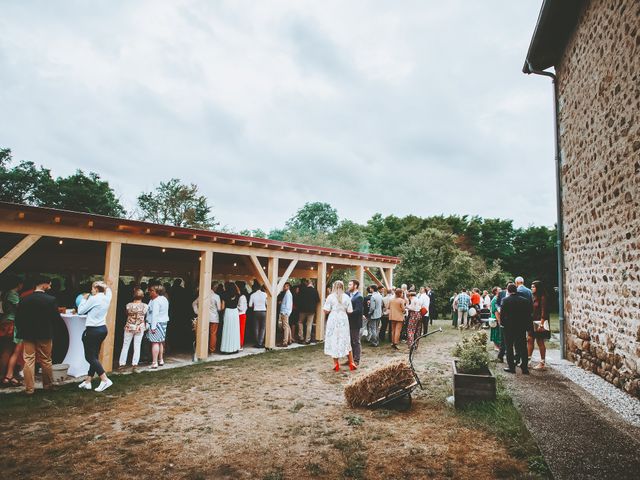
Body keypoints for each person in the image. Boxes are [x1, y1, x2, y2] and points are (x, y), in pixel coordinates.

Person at [14, 276, 60, 395]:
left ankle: (29, 389)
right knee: (46, 360)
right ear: (43, 285)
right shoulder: (50, 300)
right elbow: (56, 319)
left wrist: (22, 330)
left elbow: (18, 318)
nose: (49, 287)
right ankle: (48, 385)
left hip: (28, 334)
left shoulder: (24, 299)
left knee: (28, 360)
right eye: (48, 284)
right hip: (44, 333)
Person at [77, 280, 114, 392]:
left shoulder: (94, 298)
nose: (91, 290)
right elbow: (108, 290)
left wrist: (84, 299)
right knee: (94, 356)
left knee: (90, 357)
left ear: (96, 289)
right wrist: (105, 286)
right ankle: (88, 381)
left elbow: (80, 311)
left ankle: (104, 379)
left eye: (93, 288)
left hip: (92, 330)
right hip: (102, 329)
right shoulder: (107, 297)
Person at [323, 281, 356, 372]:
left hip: (333, 319)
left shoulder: (330, 297)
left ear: (334, 287)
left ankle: (336, 364)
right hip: (343, 319)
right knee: (345, 339)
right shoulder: (347, 297)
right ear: (343, 287)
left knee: (334, 339)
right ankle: (352, 362)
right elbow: (350, 311)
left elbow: (326, 310)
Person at [500, 283, 531, 374]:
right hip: (521, 327)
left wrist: (502, 324)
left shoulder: (505, 300)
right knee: (522, 347)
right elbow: (528, 315)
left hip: (509, 327)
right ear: (516, 290)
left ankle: (511, 367)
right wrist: (527, 326)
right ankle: (524, 368)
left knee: (509, 347)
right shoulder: (525, 301)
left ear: (508, 290)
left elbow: (502, 314)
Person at [1, 275, 24, 387]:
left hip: (5, 322)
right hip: (12, 323)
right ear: (19, 284)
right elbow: (20, 308)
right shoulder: (13, 294)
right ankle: (8, 376)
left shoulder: (5, 294)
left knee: (7, 350)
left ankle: (4, 376)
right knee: (15, 349)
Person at [118, 288, 148, 370]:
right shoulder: (145, 306)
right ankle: (135, 363)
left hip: (129, 326)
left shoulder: (128, 305)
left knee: (125, 345)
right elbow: (145, 315)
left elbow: (127, 314)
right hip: (139, 327)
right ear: (142, 296)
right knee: (137, 346)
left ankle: (122, 363)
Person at [192, 282, 222, 354]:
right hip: (214, 317)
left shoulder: (203, 295)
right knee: (213, 334)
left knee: (203, 333)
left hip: (204, 317)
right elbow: (219, 308)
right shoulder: (216, 296)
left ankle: (202, 349)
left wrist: (197, 312)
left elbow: (194, 303)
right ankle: (212, 350)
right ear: (214, 288)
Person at [146, 284, 170, 369]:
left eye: (152, 290)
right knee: (160, 342)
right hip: (163, 322)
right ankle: (161, 359)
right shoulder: (165, 299)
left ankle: (154, 362)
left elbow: (155, 315)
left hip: (156, 323)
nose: (150, 292)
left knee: (155, 342)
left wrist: (153, 327)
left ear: (157, 291)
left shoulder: (156, 301)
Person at [529, 280, 550, 370]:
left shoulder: (543, 298)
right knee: (529, 339)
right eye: (531, 286)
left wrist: (541, 323)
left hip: (539, 322)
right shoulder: (533, 297)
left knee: (540, 341)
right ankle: (528, 360)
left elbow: (544, 311)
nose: (532, 288)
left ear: (538, 288)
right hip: (532, 321)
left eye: (533, 287)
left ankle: (542, 362)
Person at [220, 282, 241, 353]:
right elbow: (238, 290)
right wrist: (235, 285)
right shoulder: (237, 295)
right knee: (235, 330)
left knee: (227, 329)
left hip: (228, 312)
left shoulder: (224, 295)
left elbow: (222, 307)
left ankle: (226, 349)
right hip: (235, 312)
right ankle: (234, 348)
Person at [297, 279, 320, 344]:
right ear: (312, 284)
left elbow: (299, 299)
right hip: (311, 310)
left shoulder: (303, 290)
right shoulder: (315, 291)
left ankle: (301, 338)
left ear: (308, 283)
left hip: (302, 310)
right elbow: (318, 300)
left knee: (300, 322)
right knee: (309, 324)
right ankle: (307, 339)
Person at [347, 279, 363, 366]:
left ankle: (356, 359)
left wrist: (349, 312)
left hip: (355, 322)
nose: (348, 286)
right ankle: (350, 359)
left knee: (355, 341)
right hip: (348, 322)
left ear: (355, 286)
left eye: (350, 284)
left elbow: (359, 310)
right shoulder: (348, 295)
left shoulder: (359, 296)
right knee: (349, 341)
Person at [278, 282, 293, 347]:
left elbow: (288, 304)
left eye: (285, 286)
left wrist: (286, 312)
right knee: (287, 326)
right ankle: (289, 339)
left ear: (288, 286)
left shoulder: (288, 294)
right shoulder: (287, 294)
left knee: (285, 327)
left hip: (285, 312)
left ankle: (285, 342)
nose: (284, 287)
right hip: (285, 311)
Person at [489, 287, 502, 352]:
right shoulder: (495, 299)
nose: (501, 290)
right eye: (499, 290)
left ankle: (498, 346)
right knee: (495, 332)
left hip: (497, 317)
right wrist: (499, 321)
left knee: (498, 332)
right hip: (495, 318)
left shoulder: (498, 298)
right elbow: (495, 311)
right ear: (496, 292)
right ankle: (496, 346)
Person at [237, 282, 248, 350]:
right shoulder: (241, 296)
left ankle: (241, 345)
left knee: (241, 330)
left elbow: (241, 308)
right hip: (241, 314)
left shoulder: (242, 297)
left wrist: (235, 305)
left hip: (241, 315)